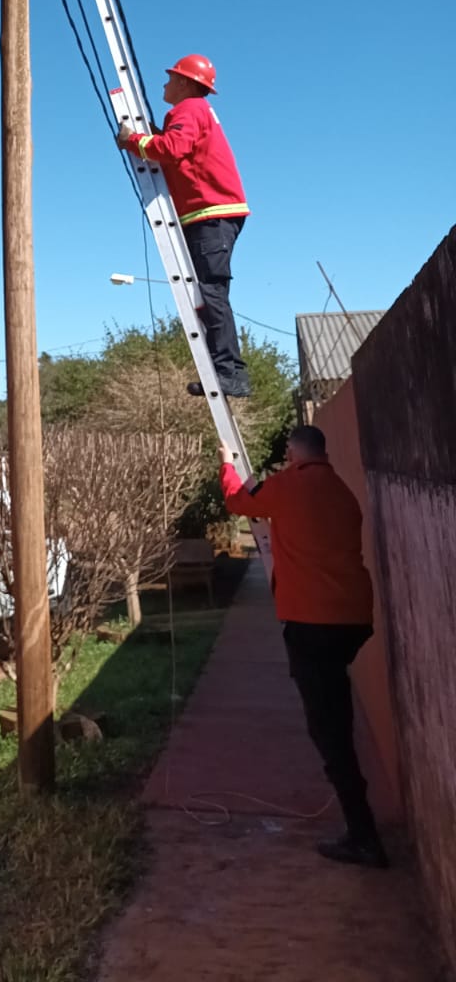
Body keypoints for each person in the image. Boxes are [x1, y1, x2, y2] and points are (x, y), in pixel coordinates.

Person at [219, 425, 387, 868]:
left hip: (313, 623)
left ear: (294, 451)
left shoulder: (288, 485)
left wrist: (226, 465)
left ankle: (363, 835)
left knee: (328, 728)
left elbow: (239, 503)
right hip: (352, 619)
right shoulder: (341, 490)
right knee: (334, 703)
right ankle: (358, 815)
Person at [117, 54, 250, 397]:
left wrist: (135, 141)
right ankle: (225, 371)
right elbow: (182, 149)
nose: (165, 83)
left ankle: (228, 374)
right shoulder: (196, 112)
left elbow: (174, 148)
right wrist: (153, 138)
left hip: (211, 213)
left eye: (171, 77)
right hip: (212, 214)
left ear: (186, 83)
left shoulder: (188, 109)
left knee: (211, 293)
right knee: (208, 293)